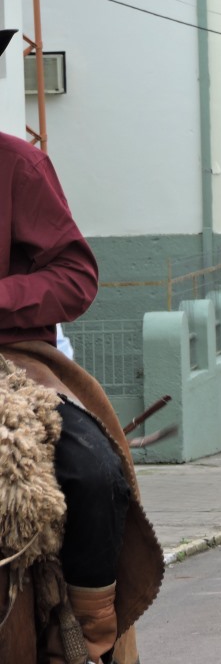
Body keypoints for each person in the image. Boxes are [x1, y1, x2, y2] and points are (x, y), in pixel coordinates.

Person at [1, 48, 161, 662]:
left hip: (10, 358)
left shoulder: (18, 165)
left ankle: (88, 627)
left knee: (92, 470)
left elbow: (75, 275)